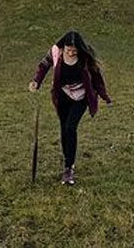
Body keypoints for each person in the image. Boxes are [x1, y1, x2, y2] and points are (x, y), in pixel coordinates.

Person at [29, 30, 113, 185]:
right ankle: (67, 160)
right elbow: (44, 65)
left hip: (81, 97)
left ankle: (69, 168)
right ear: (64, 46)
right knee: (63, 128)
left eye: (74, 51)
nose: (71, 53)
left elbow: (96, 77)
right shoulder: (56, 52)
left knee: (70, 127)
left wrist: (104, 95)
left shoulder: (85, 57)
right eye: (69, 50)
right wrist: (36, 81)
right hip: (63, 96)